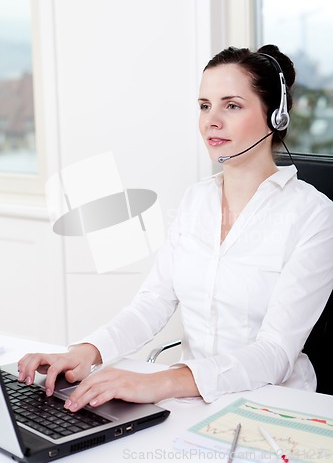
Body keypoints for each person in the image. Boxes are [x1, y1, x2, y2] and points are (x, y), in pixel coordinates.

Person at [18, 45, 333, 410]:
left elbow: (276, 351)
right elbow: (154, 301)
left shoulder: (313, 214)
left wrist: (161, 382)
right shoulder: (194, 201)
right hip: (190, 402)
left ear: (275, 116)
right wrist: (89, 350)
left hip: (272, 406)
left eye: (231, 105)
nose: (211, 120)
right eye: (204, 105)